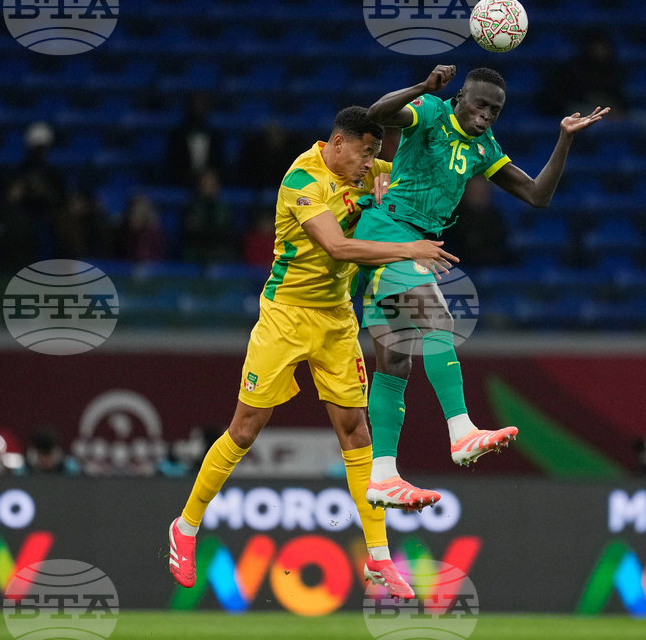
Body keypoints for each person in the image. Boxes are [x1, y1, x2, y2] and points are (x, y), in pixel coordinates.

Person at [167, 107, 457, 601]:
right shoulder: (303, 178)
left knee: (355, 429)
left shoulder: (372, 169)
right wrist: (410, 248)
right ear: (338, 143)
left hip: (336, 319)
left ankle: (380, 557)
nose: (371, 164)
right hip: (285, 315)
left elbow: (420, 174)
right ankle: (187, 526)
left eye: (376, 154)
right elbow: (338, 246)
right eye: (365, 153)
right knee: (245, 428)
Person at [356, 65, 609, 510]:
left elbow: (537, 196)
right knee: (438, 318)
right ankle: (461, 431)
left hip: (415, 242)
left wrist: (564, 138)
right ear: (461, 99)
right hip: (390, 230)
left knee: (395, 362)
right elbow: (377, 114)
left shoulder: (483, 147)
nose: (487, 114)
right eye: (480, 104)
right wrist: (422, 86)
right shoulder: (432, 111)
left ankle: (382, 475)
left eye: (496, 109)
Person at [442, 176, 511, 267]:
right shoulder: (451, 219)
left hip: (492, 266)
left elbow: (501, 248)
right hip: (459, 267)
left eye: (482, 191)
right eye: (474, 190)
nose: (478, 194)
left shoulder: (496, 218)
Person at [166, 92, 225, 187]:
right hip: (182, 183)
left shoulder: (215, 136)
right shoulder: (177, 136)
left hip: (209, 184)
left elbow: (219, 164)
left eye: (202, 105)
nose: (198, 109)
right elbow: (173, 164)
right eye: (195, 105)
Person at [181, 168, 235, 264]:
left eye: (212, 184)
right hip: (197, 251)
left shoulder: (224, 208)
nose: (208, 187)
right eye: (205, 183)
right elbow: (190, 232)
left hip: (219, 250)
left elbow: (227, 232)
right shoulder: (191, 207)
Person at [116, 194, 165, 262]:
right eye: (131, 212)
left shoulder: (154, 235)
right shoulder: (121, 232)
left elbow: (151, 259)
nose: (133, 217)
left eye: (138, 213)